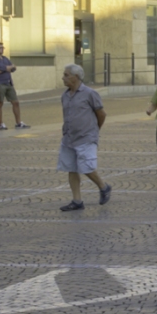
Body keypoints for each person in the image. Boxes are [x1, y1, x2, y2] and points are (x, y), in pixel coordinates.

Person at [56, 63, 110, 211]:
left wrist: (94, 130)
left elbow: (101, 114)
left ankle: (103, 187)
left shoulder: (90, 93)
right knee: (71, 168)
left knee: (86, 167)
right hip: (69, 138)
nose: (63, 77)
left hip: (86, 137)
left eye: (66, 75)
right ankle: (77, 201)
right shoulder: (65, 95)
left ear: (76, 77)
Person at [0, 41, 28, 130]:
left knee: (15, 102)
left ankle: (18, 122)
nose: (2, 49)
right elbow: (4, 67)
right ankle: (1, 123)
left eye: (3, 47)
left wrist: (4, 69)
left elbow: (13, 68)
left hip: (8, 83)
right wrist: (6, 68)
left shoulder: (5, 58)